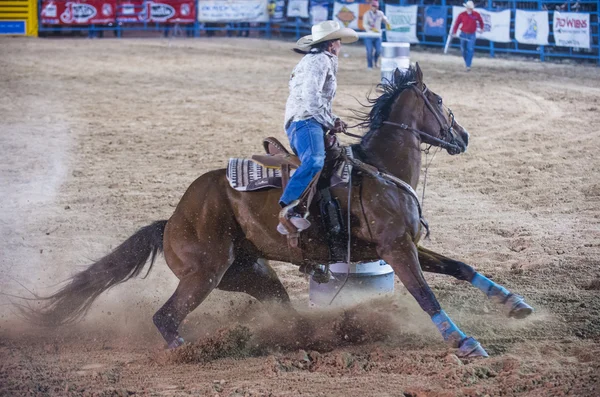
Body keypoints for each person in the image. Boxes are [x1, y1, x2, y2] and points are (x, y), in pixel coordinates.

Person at [277, 21, 358, 235]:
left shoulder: (318, 60)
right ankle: (288, 206)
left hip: (308, 120)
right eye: (339, 42)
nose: (341, 46)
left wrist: (333, 118)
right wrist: (331, 121)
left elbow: (315, 100)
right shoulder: (319, 61)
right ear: (332, 44)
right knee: (314, 159)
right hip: (304, 121)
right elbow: (311, 100)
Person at [452, 1, 484, 71]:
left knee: (470, 49)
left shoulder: (476, 14)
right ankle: (467, 63)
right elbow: (457, 23)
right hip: (463, 33)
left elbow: (481, 21)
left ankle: (468, 65)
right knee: (463, 49)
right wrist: (454, 32)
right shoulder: (462, 15)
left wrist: (482, 28)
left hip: (472, 34)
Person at [362, 0, 390, 69]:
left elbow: (385, 19)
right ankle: (369, 65)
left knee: (378, 51)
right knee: (369, 51)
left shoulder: (380, 13)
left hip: (377, 35)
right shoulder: (367, 14)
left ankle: (376, 61)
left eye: (376, 6)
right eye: (373, 6)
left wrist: (388, 23)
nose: (375, 7)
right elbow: (364, 24)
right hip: (369, 35)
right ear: (371, 6)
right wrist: (370, 28)